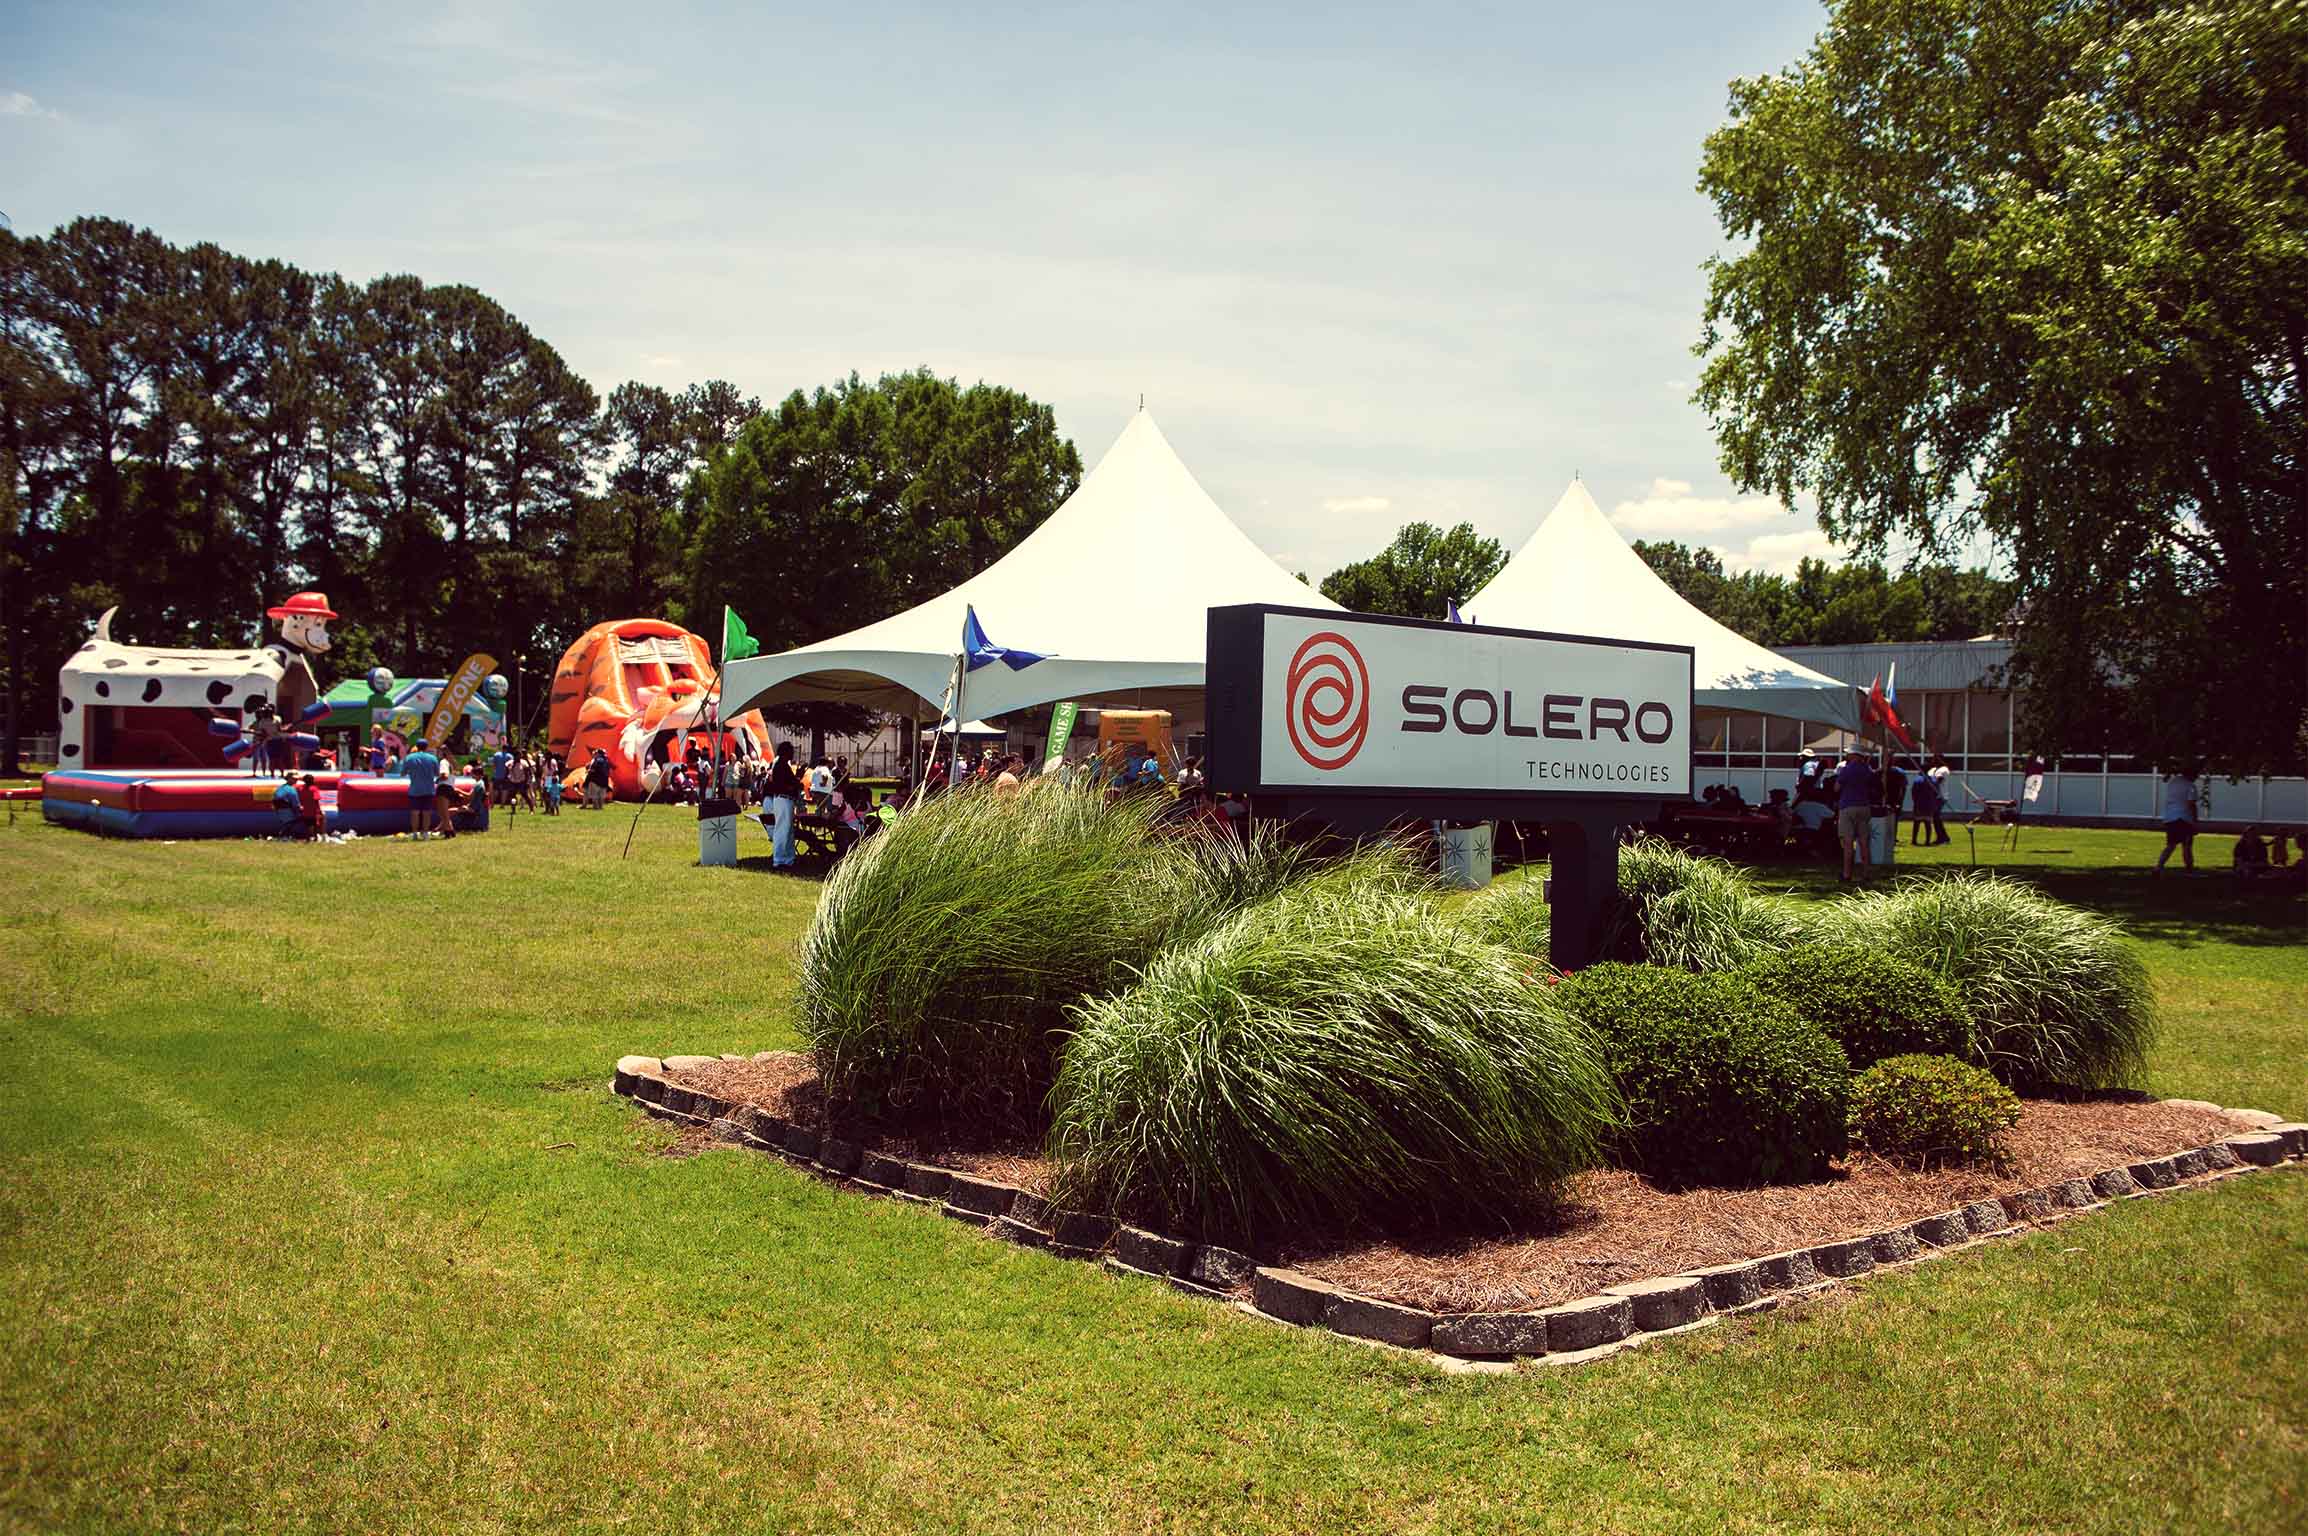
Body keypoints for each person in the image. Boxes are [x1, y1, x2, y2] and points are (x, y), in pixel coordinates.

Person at [1835, 745, 1877, 883]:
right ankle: (1866, 873)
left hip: (1848, 806)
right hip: (1864, 806)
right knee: (1864, 842)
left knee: (1847, 843)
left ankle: (1847, 874)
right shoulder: (1867, 770)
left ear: (1854, 755)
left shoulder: (1846, 769)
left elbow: (1837, 787)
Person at [766, 741, 804, 869]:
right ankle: (779, 859)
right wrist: (797, 782)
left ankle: (788, 859)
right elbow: (785, 785)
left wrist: (798, 777)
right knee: (782, 829)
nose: (793, 753)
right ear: (785, 752)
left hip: (786, 800)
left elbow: (791, 781)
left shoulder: (782, 765)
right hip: (783, 799)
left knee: (788, 830)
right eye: (791, 751)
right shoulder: (781, 766)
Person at [2155, 766, 2199, 873]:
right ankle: (2189, 868)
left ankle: (2159, 866)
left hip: (2170, 817)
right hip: (2184, 818)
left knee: (2171, 845)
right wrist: (2195, 821)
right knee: (2187, 845)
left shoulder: (2173, 783)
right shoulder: (2191, 786)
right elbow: (2191, 804)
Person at [402, 741, 440, 837]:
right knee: (426, 812)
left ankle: (415, 833)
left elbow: (403, 773)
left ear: (417, 747)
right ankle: (425, 833)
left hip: (415, 789)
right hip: (429, 789)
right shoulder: (433, 758)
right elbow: (437, 774)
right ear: (427, 747)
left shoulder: (409, 758)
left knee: (415, 812)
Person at [1909, 762, 1942, 845]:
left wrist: (1915, 801)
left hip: (1919, 804)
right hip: (1929, 804)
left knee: (1917, 823)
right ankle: (1927, 841)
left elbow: (1913, 792)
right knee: (1928, 823)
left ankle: (1914, 840)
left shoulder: (1917, 779)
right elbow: (1936, 792)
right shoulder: (1933, 780)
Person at [296, 773, 324, 840]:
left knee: (307, 825)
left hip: (305, 810)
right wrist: (320, 810)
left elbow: (298, 799)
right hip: (313, 810)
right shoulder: (314, 789)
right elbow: (316, 800)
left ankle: (308, 837)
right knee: (315, 825)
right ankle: (315, 837)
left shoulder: (300, 789)